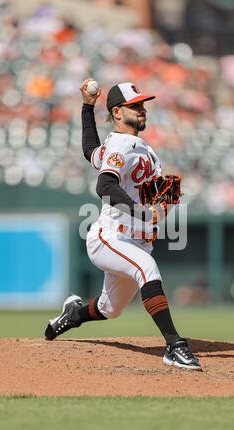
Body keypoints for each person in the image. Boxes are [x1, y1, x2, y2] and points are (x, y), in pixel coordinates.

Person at [44, 79, 202, 371]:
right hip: (110, 238)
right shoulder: (121, 144)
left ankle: (73, 314)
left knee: (109, 309)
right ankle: (175, 346)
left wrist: (86, 107)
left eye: (143, 105)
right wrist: (142, 212)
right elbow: (104, 186)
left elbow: (90, 149)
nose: (142, 110)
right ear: (117, 112)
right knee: (148, 270)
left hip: (137, 240)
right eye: (135, 106)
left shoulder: (135, 147)